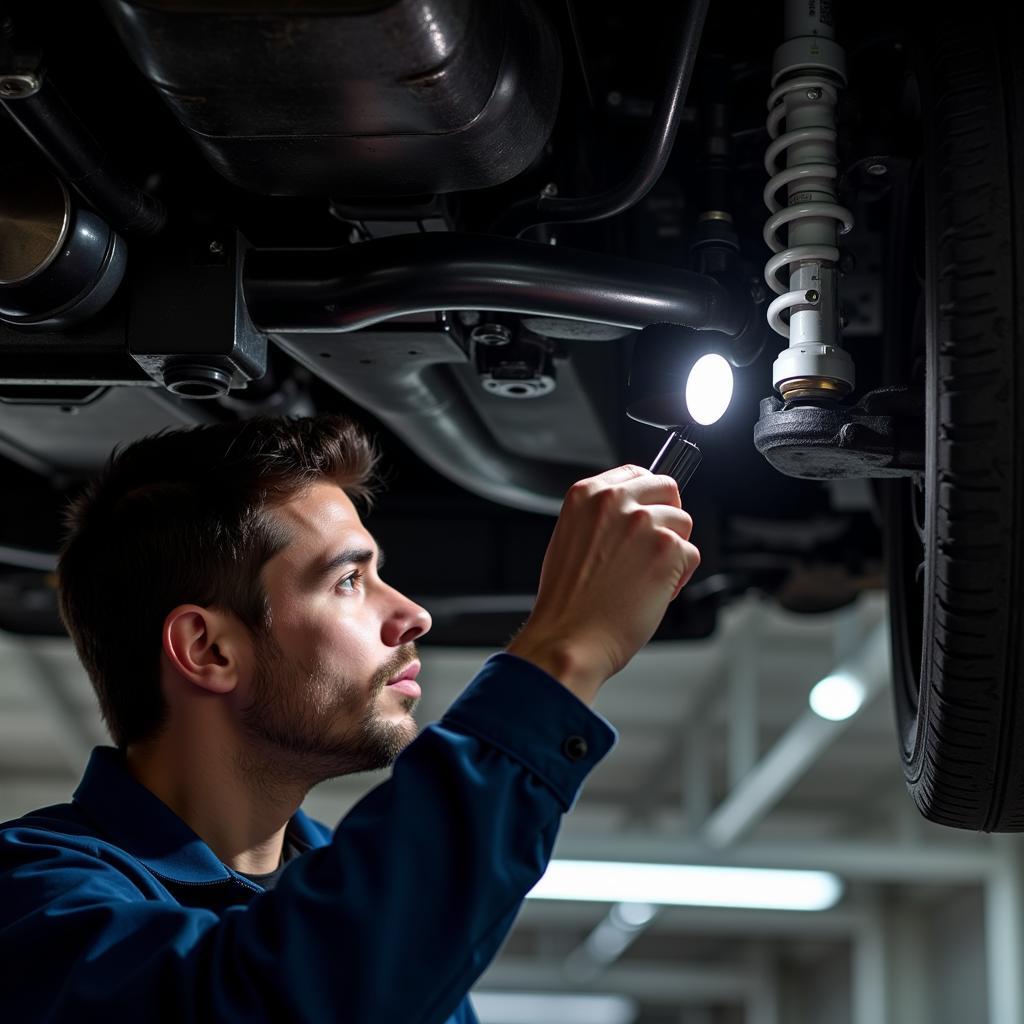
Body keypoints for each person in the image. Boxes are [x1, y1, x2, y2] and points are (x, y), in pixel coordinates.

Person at [0, 414, 699, 1023]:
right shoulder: (32, 898)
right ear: (208, 649)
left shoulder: (357, 894)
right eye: (347, 581)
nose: (413, 614)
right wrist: (561, 654)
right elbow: (264, 1003)